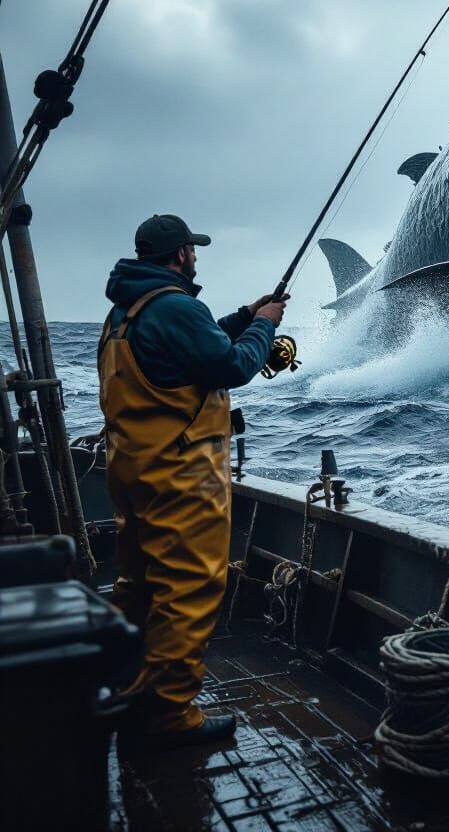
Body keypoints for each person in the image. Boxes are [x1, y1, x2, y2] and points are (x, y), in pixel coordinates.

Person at [97, 214, 286, 749]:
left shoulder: (126, 311)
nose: (196, 258)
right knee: (188, 588)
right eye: (193, 250)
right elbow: (231, 367)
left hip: (131, 471)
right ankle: (170, 712)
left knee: (138, 584)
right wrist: (265, 326)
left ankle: (126, 682)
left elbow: (193, 348)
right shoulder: (177, 307)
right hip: (179, 477)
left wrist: (247, 314)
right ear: (181, 254)